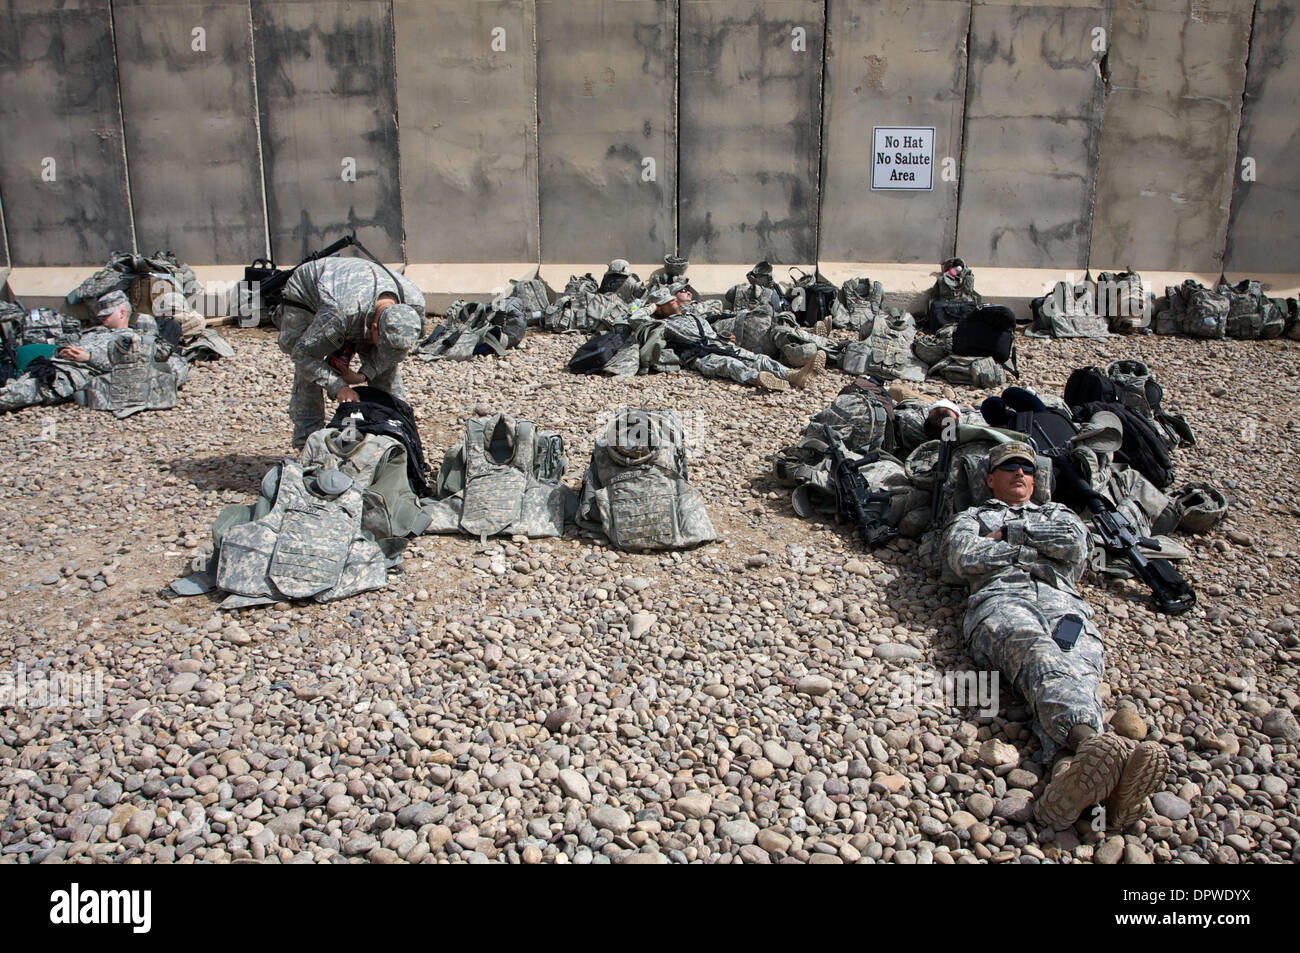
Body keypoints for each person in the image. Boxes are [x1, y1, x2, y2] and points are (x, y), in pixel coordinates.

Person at [941, 440, 1168, 831]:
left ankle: (1071, 771)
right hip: (1002, 602)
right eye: (1010, 466)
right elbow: (963, 558)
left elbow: (1076, 545)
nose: (1020, 473)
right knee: (1041, 654)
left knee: (1077, 664)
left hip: (1066, 607)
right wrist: (1036, 544)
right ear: (990, 478)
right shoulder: (972, 516)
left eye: (1027, 469)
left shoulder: (1059, 513)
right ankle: (1088, 746)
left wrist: (1008, 534)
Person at [275, 257, 425, 450]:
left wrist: (364, 374)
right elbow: (302, 355)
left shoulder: (414, 306)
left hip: (355, 299)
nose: (382, 353)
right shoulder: (339, 312)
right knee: (309, 369)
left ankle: (397, 436)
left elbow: (392, 356)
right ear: (373, 329)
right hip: (309, 291)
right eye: (381, 345)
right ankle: (307, 444)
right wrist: (338, 386)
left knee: (388, 374)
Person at [646, 287, 824, 391]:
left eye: (672, 299)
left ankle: (792, 375)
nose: (673, 302)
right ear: (659, 309)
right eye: (667, 302)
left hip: (718, 344)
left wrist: (724, 337)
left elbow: (710, 332)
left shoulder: (693, 316)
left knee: (757, 358)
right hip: (699, 355)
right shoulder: (663, 324)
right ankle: (760, 379)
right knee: (729, 365)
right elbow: (635, 319)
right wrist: (651, 308)